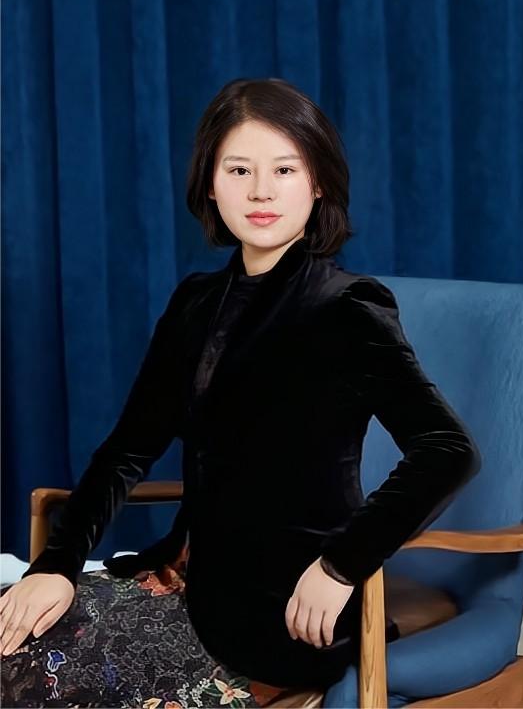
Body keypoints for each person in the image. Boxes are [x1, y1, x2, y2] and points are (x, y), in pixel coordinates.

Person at [0, 78, 482, 707]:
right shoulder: (195, 303)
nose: (260, 191)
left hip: (286, 611)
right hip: (190, 583)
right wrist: (55, 565)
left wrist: (341, 565)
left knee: (25, 678)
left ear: (317, 183)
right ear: (210, 184)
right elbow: (126, 451)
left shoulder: (348, 308)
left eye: (284, 169)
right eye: (239, 170)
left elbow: (447, 450)